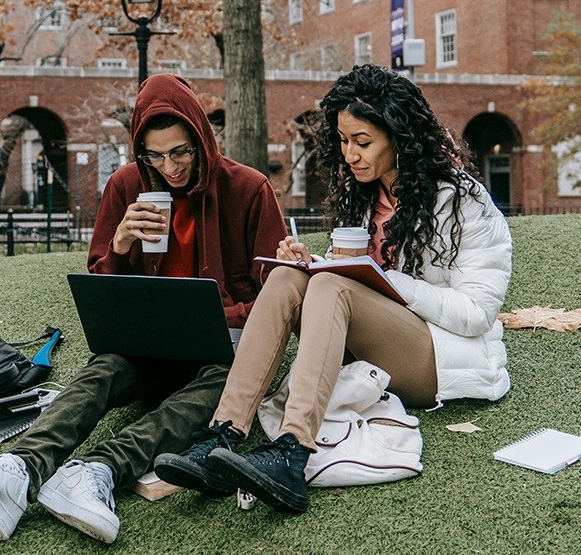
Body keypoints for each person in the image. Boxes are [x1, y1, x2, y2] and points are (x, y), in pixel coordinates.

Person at [0, 73, 286, 544]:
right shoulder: (126, 185)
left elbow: (276, 296)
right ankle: (18, 471)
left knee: (220, 386)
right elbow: (102, 287)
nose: (170, 167)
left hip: (221, 350)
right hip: (147, 347)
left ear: (202, 140)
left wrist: (218, 316)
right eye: (155, 155)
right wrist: (121, 244)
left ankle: (96, 471)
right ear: (139, 150)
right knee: (103, 369)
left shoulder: (248, 188)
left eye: (181, 152)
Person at [155, 64, 511, 513]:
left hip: (438, 355)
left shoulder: (462, 200)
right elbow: (355, 279)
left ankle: (292, 449)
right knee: (288, 276)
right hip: (369, 342)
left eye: (363, 142)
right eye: (343, 141)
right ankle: (222, 434)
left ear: (400, 138)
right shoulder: (365, 196)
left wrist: (382, 281)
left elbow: (477, 312)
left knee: (330, 288)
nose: (350, 155)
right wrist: (315, 263)